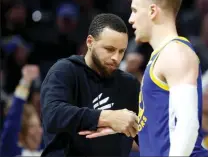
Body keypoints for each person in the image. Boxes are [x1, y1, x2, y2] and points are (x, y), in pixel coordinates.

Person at [82, 0, 208, 156]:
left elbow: (187, 125)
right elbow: (164, 122)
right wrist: (124, 126)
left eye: (134, 10)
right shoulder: (160, 56)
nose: (131, 19)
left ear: (152, 11)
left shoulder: (175, 53)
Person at [40, 13, 140, 156]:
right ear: (90, 42)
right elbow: (53, 114)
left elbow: (145, 133)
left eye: (121, 51)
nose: (116, 58)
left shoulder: (129, 84)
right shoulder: (65, 70)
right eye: (110, 49)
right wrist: (107, 118)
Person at [0, 65, 43, 157]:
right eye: (32, 127)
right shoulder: (12, 152)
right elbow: (12, 122)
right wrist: (25, 82)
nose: (39, 131)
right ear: (20, 134)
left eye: (39, 126)